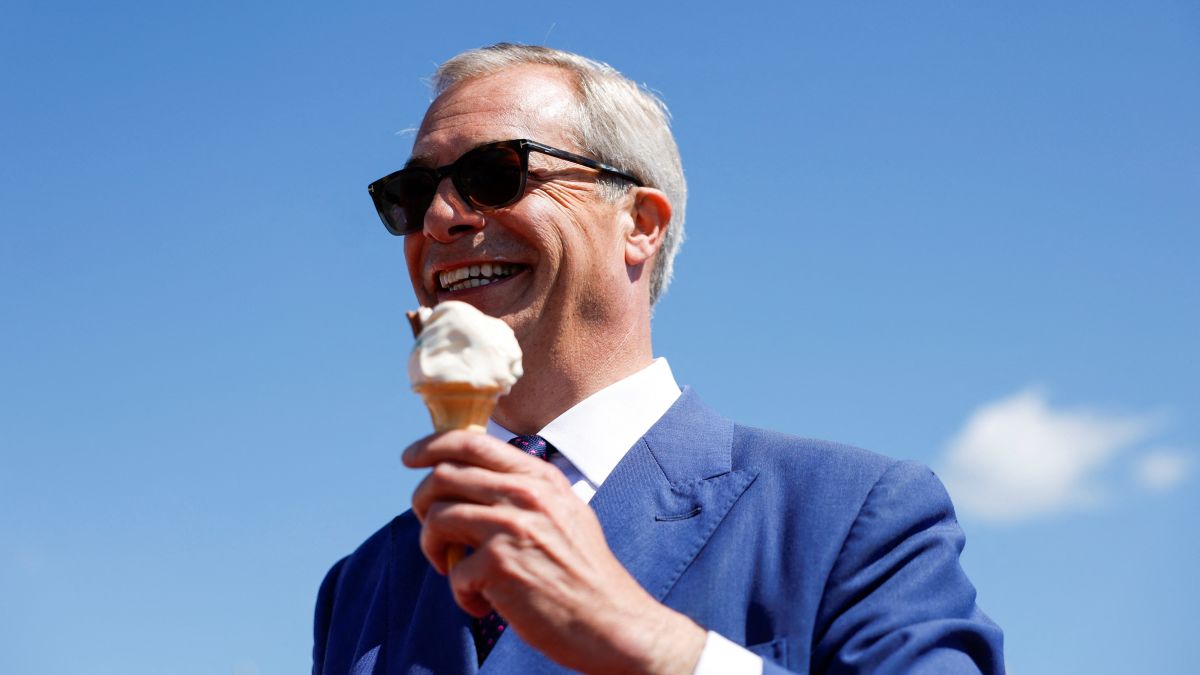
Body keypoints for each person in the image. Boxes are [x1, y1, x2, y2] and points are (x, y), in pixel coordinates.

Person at [313, 43, 1005, 675]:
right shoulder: (362, 584)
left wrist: (663, 648)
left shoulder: (856, 515)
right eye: (412, 194)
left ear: (640, 225)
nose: (440, 217)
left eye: (495, 174)